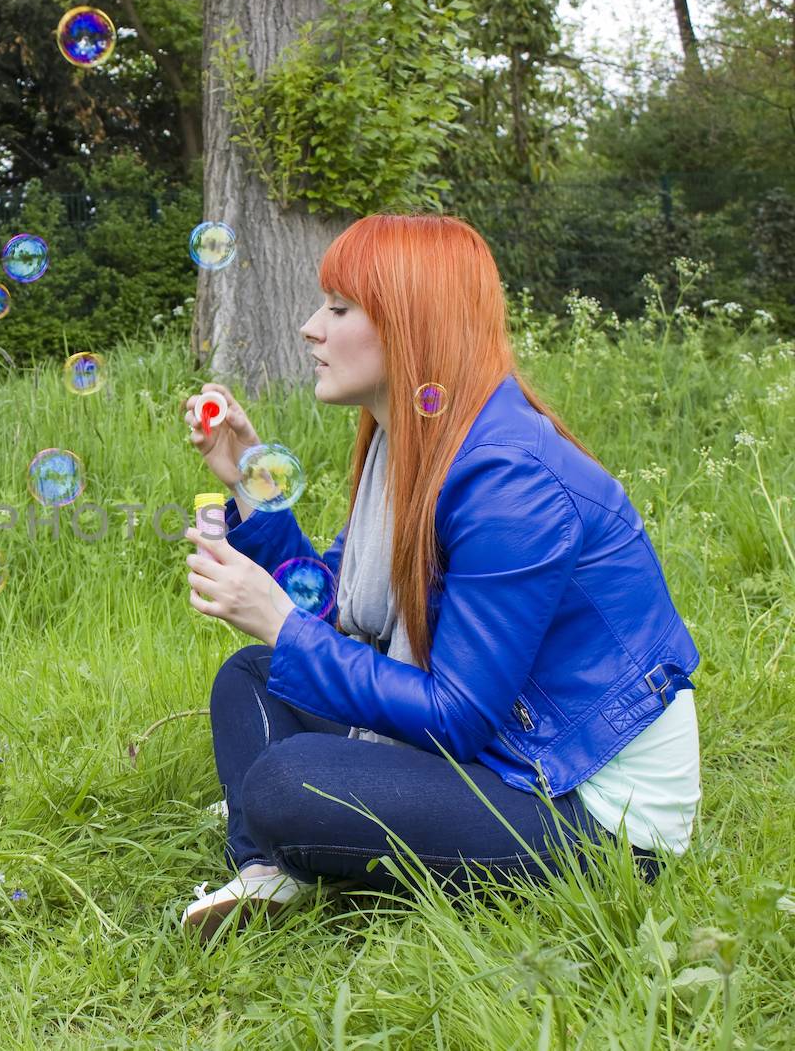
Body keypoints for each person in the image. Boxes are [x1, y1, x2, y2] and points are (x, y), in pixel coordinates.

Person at [177, 215, 700, 940]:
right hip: (506, 749)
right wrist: (249, 482)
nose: (309, 328)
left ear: (408, 323)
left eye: (337, 308)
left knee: (281, 780)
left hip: (587, 806)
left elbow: (456, 714)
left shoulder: (510, 482)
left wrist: (281, 623)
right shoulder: (411, 444)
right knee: (252, 676)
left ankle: (279, 834)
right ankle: (270, 868)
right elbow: (335, 607)